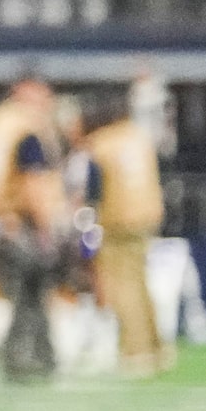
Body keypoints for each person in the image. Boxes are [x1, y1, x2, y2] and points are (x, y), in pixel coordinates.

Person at [0, 74, 67, 383]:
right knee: (32, 295)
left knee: (23, 295)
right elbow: (34, 182)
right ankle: (32, 357)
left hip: (4, 219)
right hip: (24, 222)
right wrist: (44, 227)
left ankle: (27, 356)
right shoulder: (27, 129)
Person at [79, 90, 167, 377]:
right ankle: (156, 347)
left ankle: (136, 349)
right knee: (141, 283)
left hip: (117, 221)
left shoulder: (100, 144)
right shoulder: (139, 137)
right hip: (147, 218)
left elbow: (94, 191)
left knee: (123, 286)